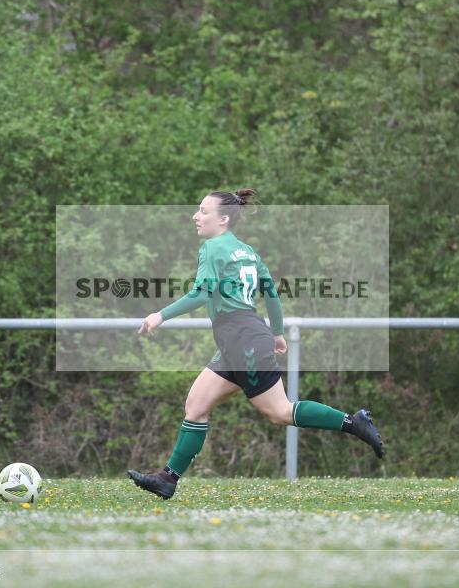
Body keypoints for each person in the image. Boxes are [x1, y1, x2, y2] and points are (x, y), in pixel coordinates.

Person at [127, 189, 384, 499]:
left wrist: (161, 315)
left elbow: (202, 293)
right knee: (196, 405)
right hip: (241, 339)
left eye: (203, 211)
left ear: (223, 219)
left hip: (242, 339)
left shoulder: (213, 248)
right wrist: (276, 333)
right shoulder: (247, 251)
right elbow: (271, 294)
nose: (196, 216)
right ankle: (167, 479)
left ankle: (353, 423)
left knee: (279, 412)